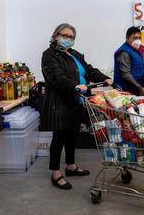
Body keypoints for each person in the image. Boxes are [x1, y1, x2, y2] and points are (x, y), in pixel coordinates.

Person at [41, 23, 113, 190]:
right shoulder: (49, 55)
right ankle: (56, 173)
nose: (68, 39)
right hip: (60, 103)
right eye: (64, 35)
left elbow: (89, 70)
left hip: (77, 101)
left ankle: (71, 166)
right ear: (56, 35)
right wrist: (74, 85)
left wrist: (105, 78)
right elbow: (55, 76)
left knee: (73, 135)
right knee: (58, 138)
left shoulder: (74, 54)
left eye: (71, 37)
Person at [114, 26, 144, 96]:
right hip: (127, 90)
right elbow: (125, 74)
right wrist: (140, 88)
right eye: (134, 38)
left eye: (139, 38)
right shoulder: (124, 52)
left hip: (138, 88)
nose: (138, 40)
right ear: (127, 38)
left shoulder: (140, 49)